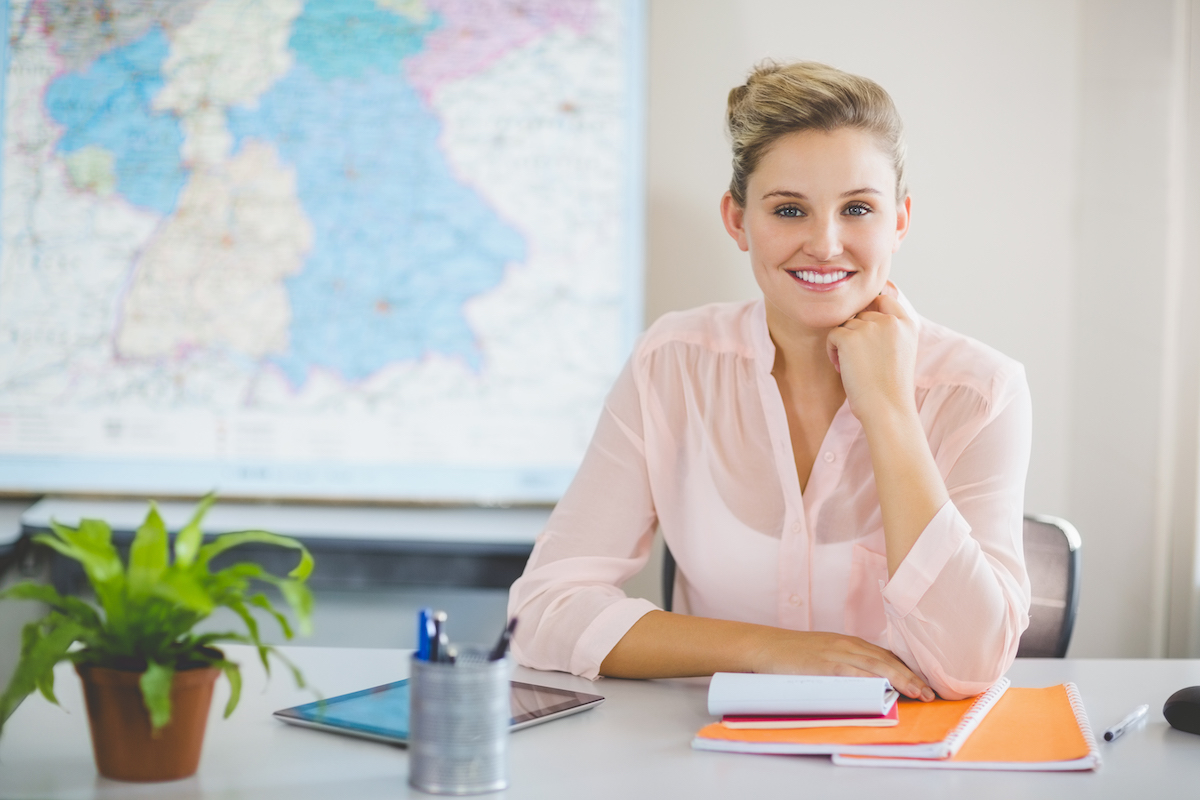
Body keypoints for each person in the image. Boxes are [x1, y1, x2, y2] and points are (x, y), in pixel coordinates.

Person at [507, 61, 1031, 701]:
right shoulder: (673, 362)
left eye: (858, 208)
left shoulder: (978, 391)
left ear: (899, 220)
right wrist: (772, 651)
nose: (825, 243)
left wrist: (890, 411)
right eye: (789, 210)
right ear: (737, 220)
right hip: (706, 756)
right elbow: (543, 608)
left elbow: (970, 664)